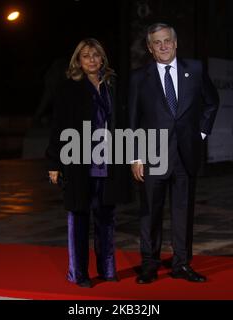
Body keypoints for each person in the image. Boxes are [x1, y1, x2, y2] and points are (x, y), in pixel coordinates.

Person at [128, 23, 219, 284]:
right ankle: (149, 265)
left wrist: (200, 134)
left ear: (176, 43)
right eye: (157, 42)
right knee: (150, 213)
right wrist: (135, 156)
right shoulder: (138, 77)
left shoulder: (196, 69)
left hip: (185, 156)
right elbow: (132, 120)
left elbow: (212, 102)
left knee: (183, 213)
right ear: (149, 47)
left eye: (167, 40)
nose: (163, 46)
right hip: (151, 156)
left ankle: (181, 264)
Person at [46, 38, 125, 288]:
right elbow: (58, 126)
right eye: (86, 56)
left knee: (106, 219)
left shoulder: (112, 86)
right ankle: (79, 274)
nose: (91, 60)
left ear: (102, 58)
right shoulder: (68, 88)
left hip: (108, 162)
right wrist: (54, 163)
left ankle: (107, 269)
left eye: (96, 55)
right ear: (78, 61)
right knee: (79, 219)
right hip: (78, 162)